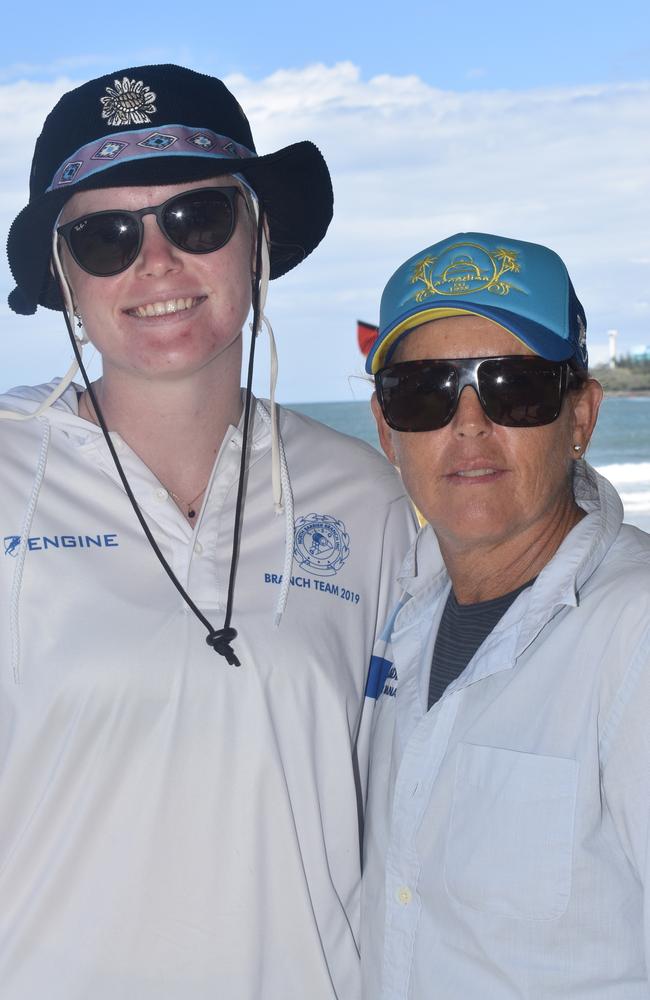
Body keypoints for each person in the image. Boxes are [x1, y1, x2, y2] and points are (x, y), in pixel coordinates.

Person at [0, 64, 417, 999]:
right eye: (105, 237)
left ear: (257, 237)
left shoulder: (368, 497)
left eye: (197, 219)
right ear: (65, 279)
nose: (155, 262)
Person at [360, 232, 650, 999]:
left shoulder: (634, 633)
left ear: (580, 417)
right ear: (388, 430)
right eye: (424, 392)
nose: (468, 426)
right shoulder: (399, 616)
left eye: (513, 387)